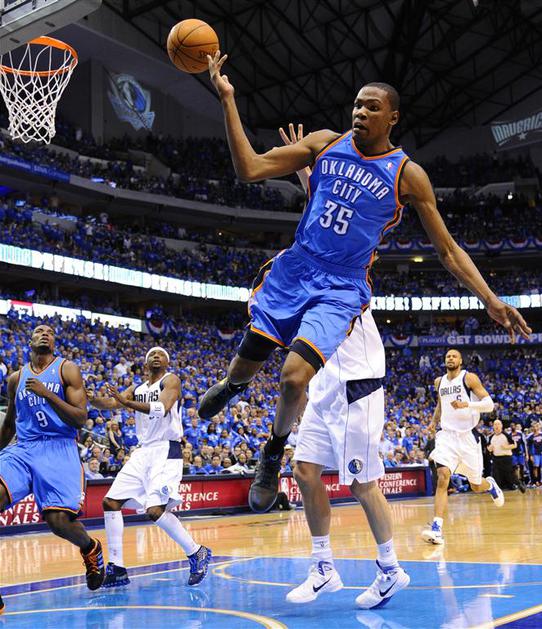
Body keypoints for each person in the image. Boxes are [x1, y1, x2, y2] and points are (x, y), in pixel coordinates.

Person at [199, 50, 531, 515]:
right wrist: (227, 99)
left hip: (341, 287)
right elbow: (249, 168)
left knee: (293, 377)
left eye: (372, 107)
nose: (360, 112)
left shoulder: (408, 175)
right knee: (243, 367)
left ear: (392, 118)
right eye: (357, 104)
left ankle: (273, 450)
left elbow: (448, 250)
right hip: (297, 268)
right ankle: (235, 385)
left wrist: (490, 299)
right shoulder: (324, 143)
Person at [277, 124, 408, 609]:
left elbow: (337, 219)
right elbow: (324, 210)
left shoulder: (347, 270)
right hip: (326, 382)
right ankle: (323, 567)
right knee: (305, 470)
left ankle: (391, 569)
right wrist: (305, 171)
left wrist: (309, 172)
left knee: (360, 481)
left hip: (358, 382)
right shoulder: (310, 268)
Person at [89, 347, 211, 588]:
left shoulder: (171, 380)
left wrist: (126, 402)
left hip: (166, 449)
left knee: (155, 510)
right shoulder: (138, 389)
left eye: (160, 354)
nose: (156, 356)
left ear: (166, 361)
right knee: (110, 502)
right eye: (151, 354)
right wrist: (90, 398)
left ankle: (196, 551)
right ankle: (117, 568)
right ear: (145, 364)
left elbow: (162, 407)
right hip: (143, 451)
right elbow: (112, 402)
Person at [0, 324, 105, 596]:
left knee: (58, 521)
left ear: (54, 342)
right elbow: (10, 424)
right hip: (25, 447)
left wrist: (46, 393)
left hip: (59, 447)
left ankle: (90, 548)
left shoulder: (67, 370)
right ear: (30, 341)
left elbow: (80, 418)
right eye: (39, 330)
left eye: (50, 332)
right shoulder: (15, 379)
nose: (45, 333)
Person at [422, 349, 504, 546]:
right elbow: (441, 405)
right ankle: (437, 529)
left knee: (476, 485)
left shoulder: (469, 378)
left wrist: (466, 405)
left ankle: (490, 485)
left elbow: (489, 405)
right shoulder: (439, 382)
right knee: (443, 476)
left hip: (467, 437)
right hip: (447, 437)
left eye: (454, 356)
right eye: (448, 356)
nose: (450, 358)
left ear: (460, 361)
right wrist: (433, 422)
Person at [487, 420, 517, 490]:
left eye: (498, 424)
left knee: (508, 473)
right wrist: (489, 448)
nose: (497, 426)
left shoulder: (506, 435)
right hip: (496, 458)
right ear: (493, 426)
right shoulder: (491, 437)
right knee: (496, 474)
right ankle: (498, 488)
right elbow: (488, 447)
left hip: (506, 457)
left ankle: (511, 485)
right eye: (495, 424)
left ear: (501, 426)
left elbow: (515, 445)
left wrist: (506, 447)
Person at [509, 423, 527, 492]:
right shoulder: (509, 435)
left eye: (513, 426)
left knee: (522, 467)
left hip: (520, 453)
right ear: (510, 427)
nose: (512, 427)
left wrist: (526, 453)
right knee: (514, 468)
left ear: (515, 427)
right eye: (511, 426)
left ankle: (523, 481)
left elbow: (524, 443)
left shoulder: (520, 433)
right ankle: (517, 482)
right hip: (513, 453)